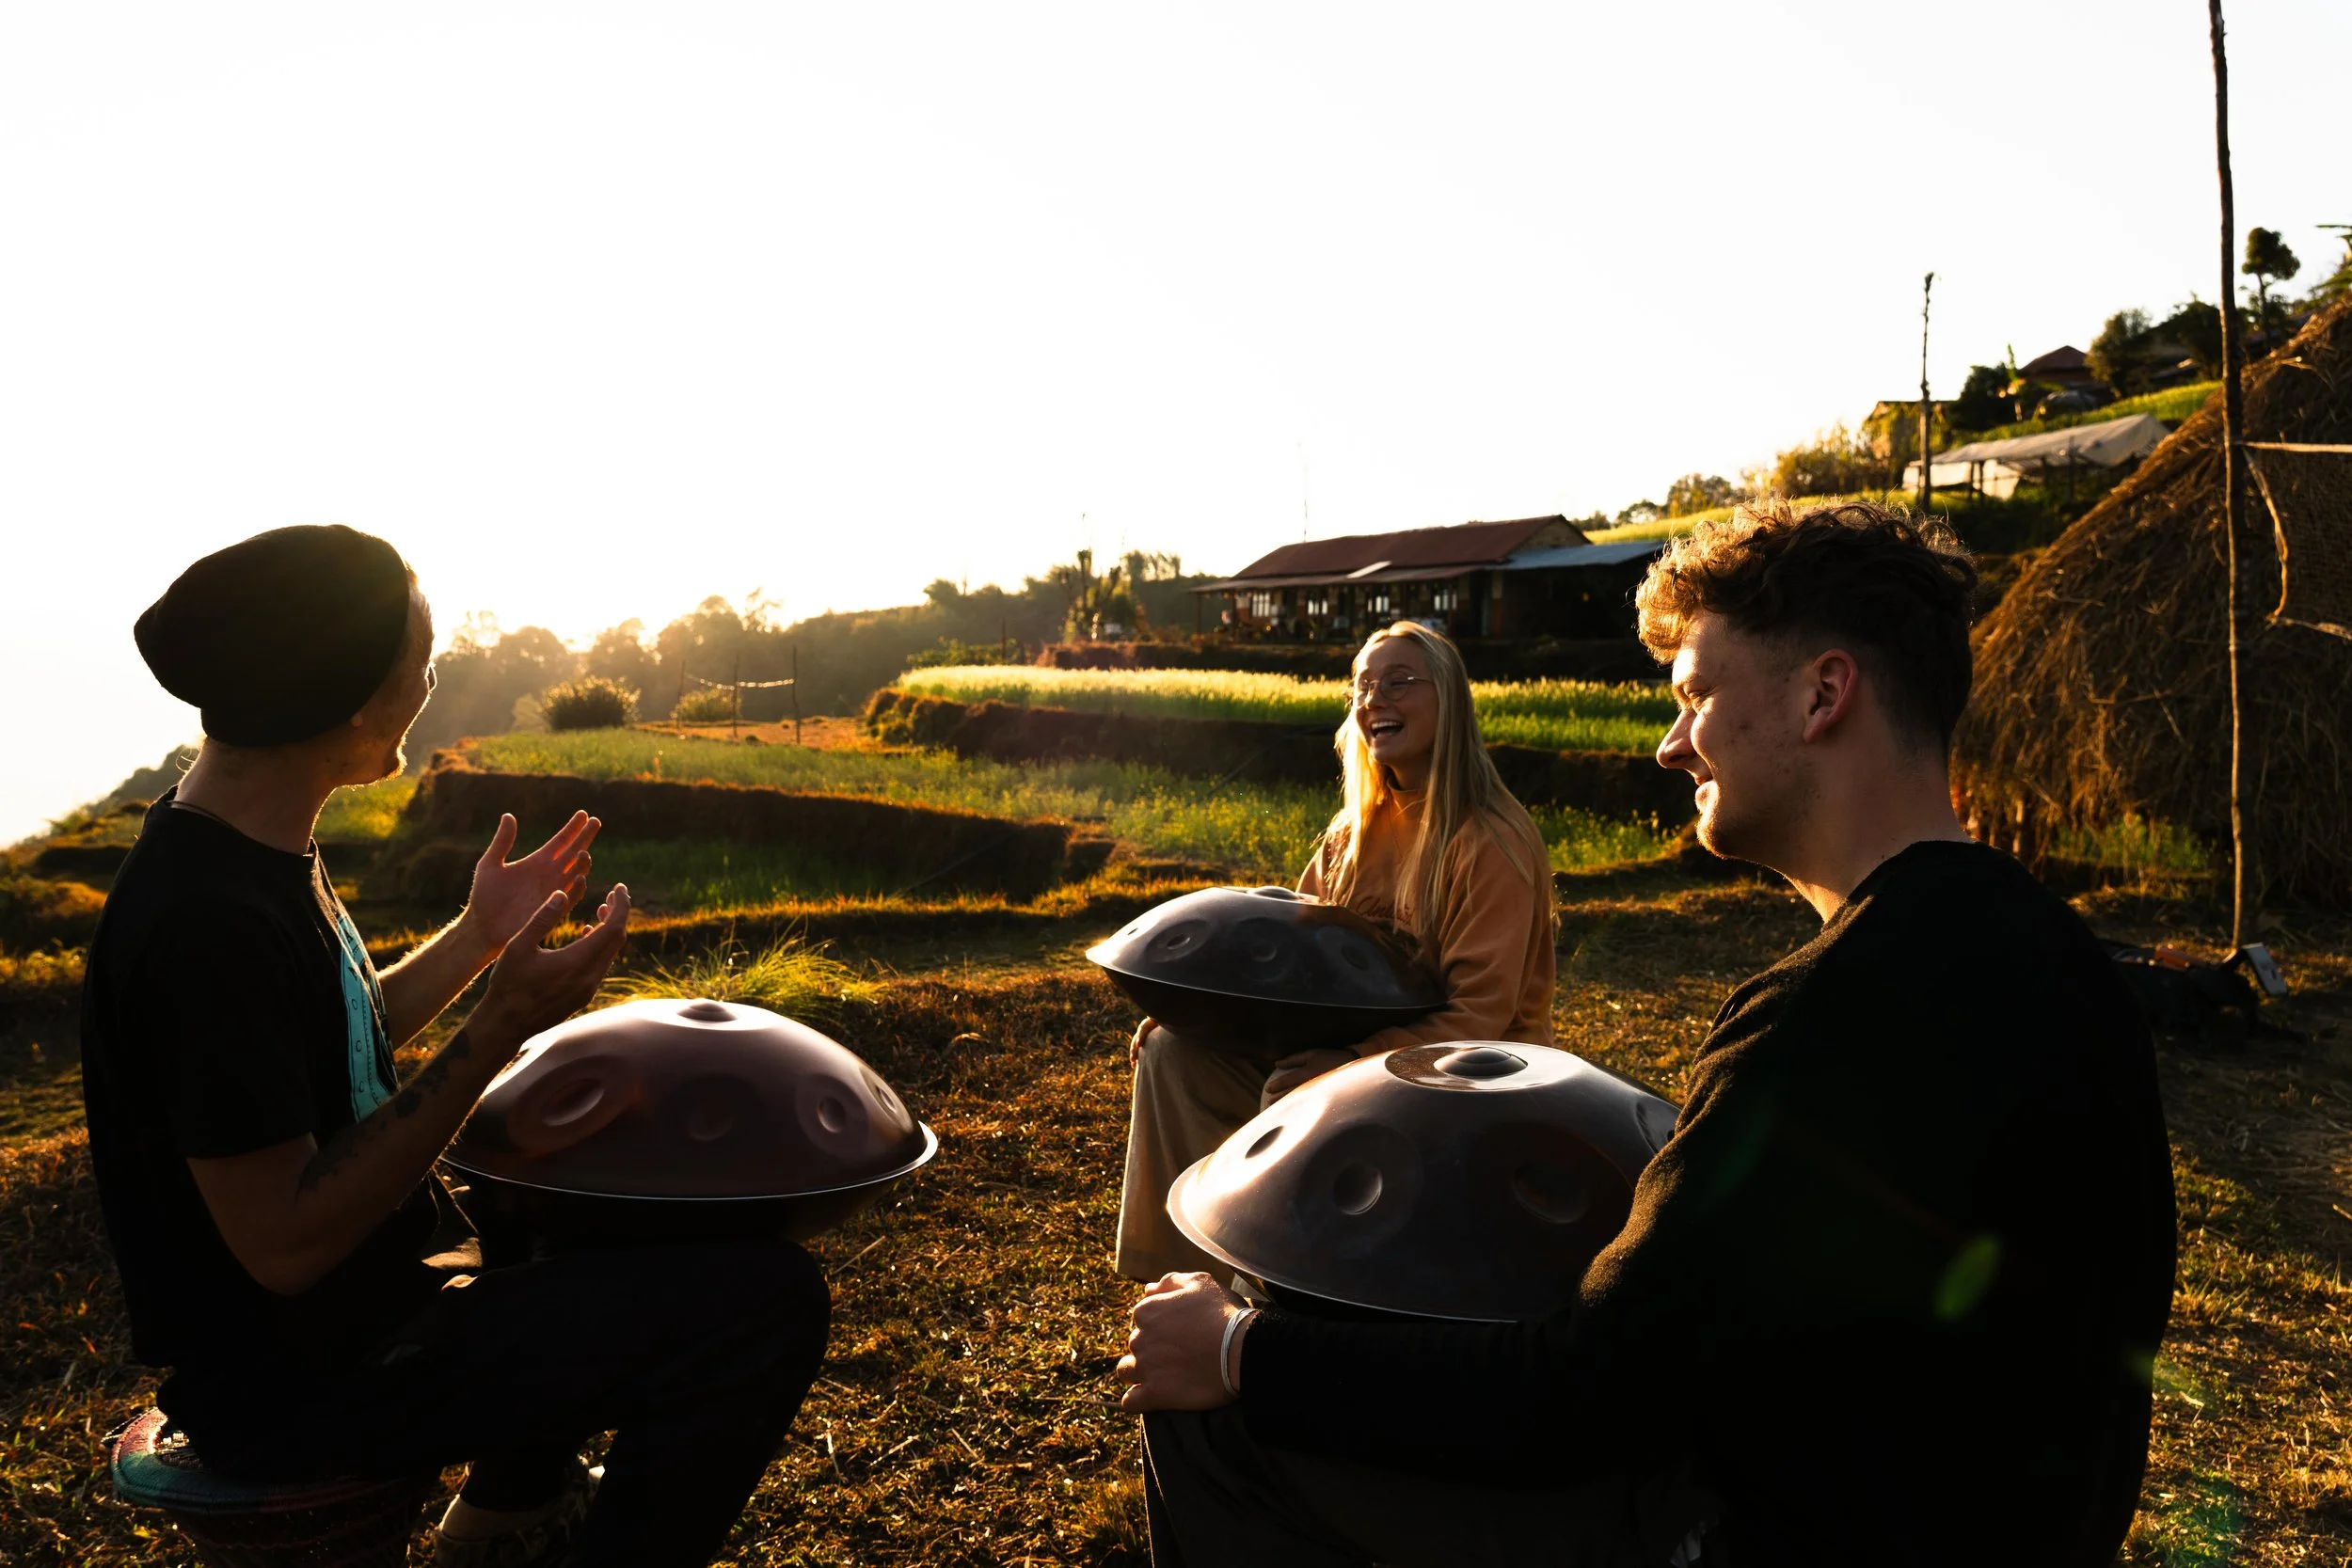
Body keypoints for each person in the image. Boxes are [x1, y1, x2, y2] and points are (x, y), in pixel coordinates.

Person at [1116, 501, 2177, 1568]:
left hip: (1771, 1535)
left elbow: (1575, 1395)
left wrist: (1241, 1349)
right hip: (1988, 1519)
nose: (1671, 746)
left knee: (1212, 1422)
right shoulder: (2065, 960)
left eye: (1695, 696)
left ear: (1823, 693)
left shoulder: (1826, 1013)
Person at [80, 525, 831, 1568]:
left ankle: (503, 1523)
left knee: (579, 1201)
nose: (431, 681)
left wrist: (477, 938)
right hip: (305, 1382)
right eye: (418, 660)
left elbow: (331, 1042)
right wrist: (499, 1025)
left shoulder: (242, 846)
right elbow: (283, 1243)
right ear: (351, 699)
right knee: (766, 1305)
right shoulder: (205, 924)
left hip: (372, 1313)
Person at [1115, 619, 1557, 1282]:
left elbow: (1480, 1019)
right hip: (1354, 1060)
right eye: (1363, 686)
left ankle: (1264, 1293)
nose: (1375, 699)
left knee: (1294, 1090)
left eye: (1399, 682)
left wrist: (1346, 1065)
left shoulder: (1489, 841)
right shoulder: (1351, 834)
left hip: (1468, 1084)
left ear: (1449, 700)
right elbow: (1290, 969)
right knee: (1174, 1056)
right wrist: (1200, 1013)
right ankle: (1184, 1276)